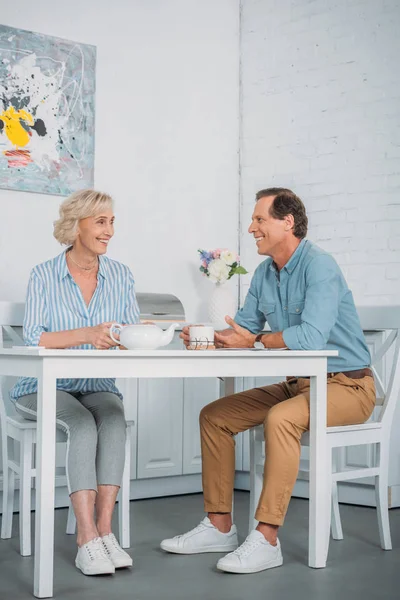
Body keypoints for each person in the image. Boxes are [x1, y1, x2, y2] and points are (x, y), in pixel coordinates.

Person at [160, 187, 375, 574]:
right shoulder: (263, 273)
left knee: (281, 419)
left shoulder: (319, 266)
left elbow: (310, 338)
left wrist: (256, 340)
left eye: (259, 219)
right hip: (301, 384)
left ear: (286, 222)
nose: (251, 227)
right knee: (215, 415)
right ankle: (219, 526)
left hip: (348, 387)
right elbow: (243, 329)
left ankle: (266, 539)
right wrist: (208, 337)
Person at [10, 189, 140, 576]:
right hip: (43, 387)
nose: (109, 231)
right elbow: (34, 336)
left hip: (96, 383)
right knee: (82, 424)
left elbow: (127, 331)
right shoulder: (44, 275)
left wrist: (138, 333)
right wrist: (88, 332)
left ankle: (104, 531)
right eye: (101, 221)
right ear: (76, 225)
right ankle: (85, 536)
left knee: (113, 418)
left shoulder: (121, 275)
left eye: (112, 221)